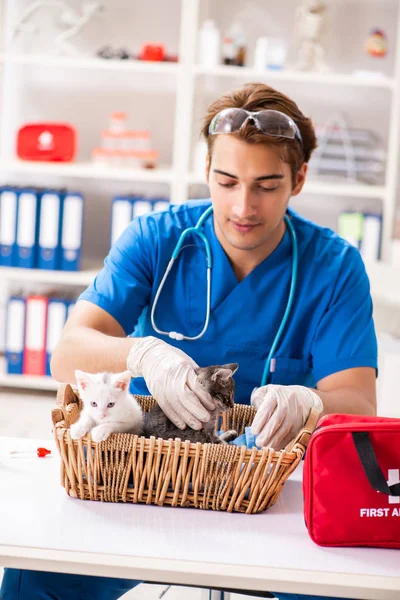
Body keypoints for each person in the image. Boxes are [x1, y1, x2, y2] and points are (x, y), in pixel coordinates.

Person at [1, 82, 377, 600]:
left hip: (270, 490)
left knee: (344, 590)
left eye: (267, 185)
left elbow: (357, 402)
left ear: (299, 179)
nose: (243, 206)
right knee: (34, 580)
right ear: (206, 173)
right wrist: (142, 352)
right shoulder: (157, 238)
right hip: (149, 481)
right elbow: (68, 353)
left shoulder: (334, 267)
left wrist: (309, 401)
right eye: (226, 181)